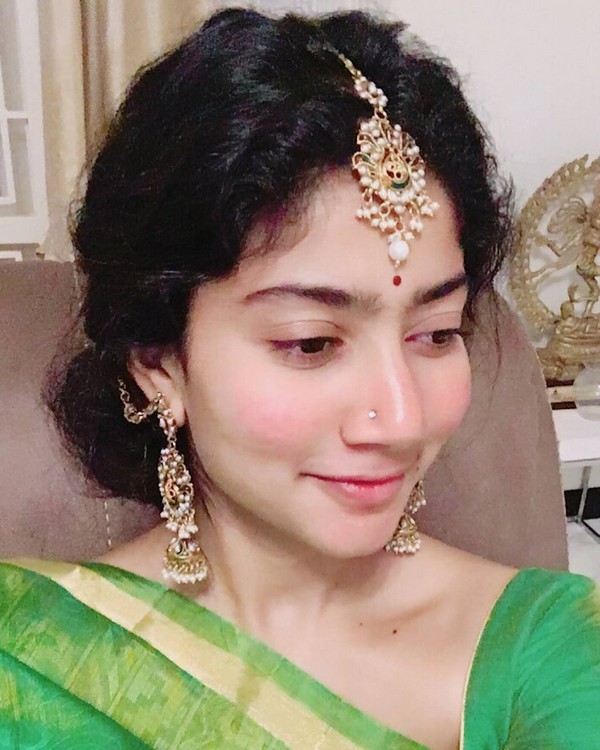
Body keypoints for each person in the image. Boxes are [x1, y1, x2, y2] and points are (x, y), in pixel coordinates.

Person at [1, 8, 598, 749]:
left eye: (437, 333)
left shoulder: (552, 648)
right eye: (311, 343)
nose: (403, 418)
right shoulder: (31, 659)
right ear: (158, 363)